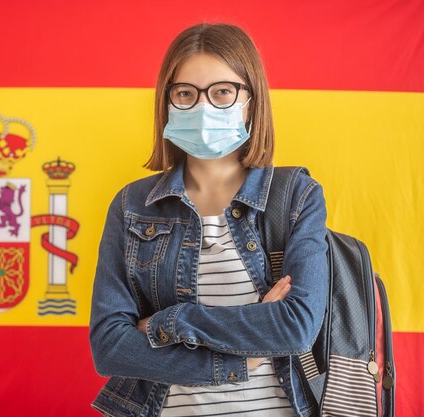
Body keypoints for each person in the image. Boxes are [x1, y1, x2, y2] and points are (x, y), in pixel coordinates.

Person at [89, 23, 329, 417]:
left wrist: (169, 322)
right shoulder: (133, 205)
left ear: (251, 100)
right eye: (186, 93)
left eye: (222, 92)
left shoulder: (295, 196)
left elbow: (295, 326)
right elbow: (110, 347)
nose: (203, 107)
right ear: (167, 102)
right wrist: (237, 362)